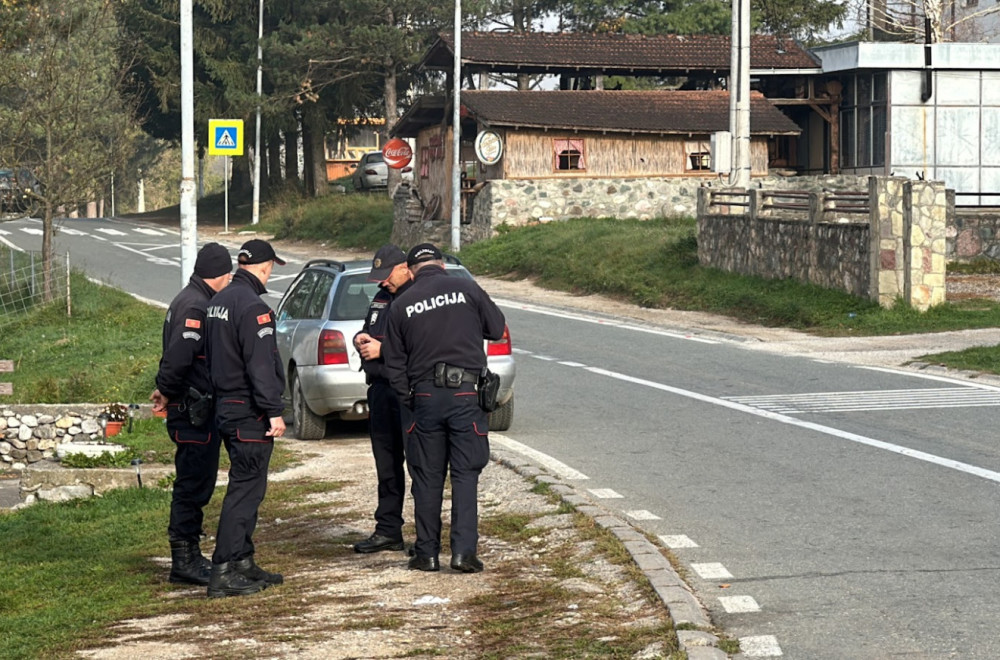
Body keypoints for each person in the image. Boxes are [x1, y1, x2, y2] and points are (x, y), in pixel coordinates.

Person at [382, 243, 506, 573]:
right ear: (441, 264)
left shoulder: (402, 304)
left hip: (424, 398)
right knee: (465, 475)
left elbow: (394, 363)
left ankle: (427, 553)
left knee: (427, 476)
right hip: (466, 395)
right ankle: (464, 553)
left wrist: (409, 397)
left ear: (410, 270)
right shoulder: (466, 288)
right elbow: (496, 329)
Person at [204, 239, 287, 598]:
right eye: (271, 268)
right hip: (248, 410)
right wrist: (273, 410)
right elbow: (261, 365)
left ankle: (242, 561)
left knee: (247, 486)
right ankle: (223, 570)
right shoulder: (254, 308)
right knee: (246, 490)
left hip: (224, 405)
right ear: (265, 266)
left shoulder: (217, 302)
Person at [151, 242, 232, 586]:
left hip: (189, 408)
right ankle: (184, 560)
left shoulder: (187, 298)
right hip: (193, 412)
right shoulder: (197, 307)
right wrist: (166, 390)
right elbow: (179, 357)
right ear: (222, 274)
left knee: (195, 480)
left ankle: (188, 554)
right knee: (193, 483)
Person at [352, 245, 414, 554]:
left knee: (420, 466)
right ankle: (388, 528)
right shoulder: (382, 296)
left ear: (405, 268)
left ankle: (428, 535)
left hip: (408, 393)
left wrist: (383, 350)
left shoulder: (418, 298)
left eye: (386, 275)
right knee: (386, 465)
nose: (382, 282)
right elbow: (370, 329)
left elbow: (422, 346)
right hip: (379, 390)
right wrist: (361, 339)